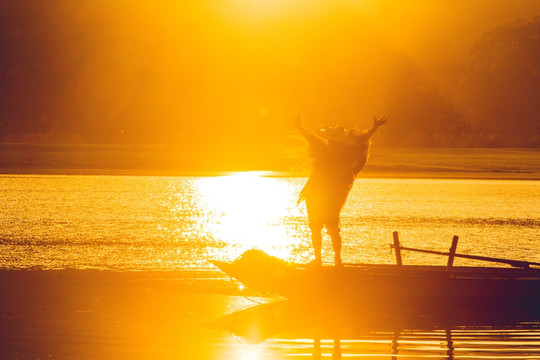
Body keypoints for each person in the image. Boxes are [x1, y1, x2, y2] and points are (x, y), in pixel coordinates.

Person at [294, 115, 389, 266]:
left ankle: (322, 260)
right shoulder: (343, 154)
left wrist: (298, 125)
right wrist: (374, 128)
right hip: (326, 193)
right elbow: (361, 141)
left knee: (318, 226)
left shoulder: (328, 151)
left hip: (320, 192)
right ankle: (334, 260)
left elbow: (309, 137)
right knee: (327, 226)